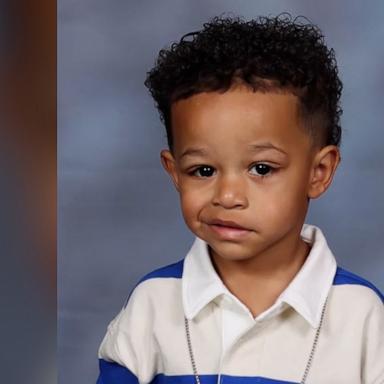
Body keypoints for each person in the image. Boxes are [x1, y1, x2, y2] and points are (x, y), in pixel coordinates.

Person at [96, 15, 384, 384]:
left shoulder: (361, 316)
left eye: (261, 169)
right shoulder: (152, 304)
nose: (228, 196)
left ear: (319, 172)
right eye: (202, 170)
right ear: (173, 171)